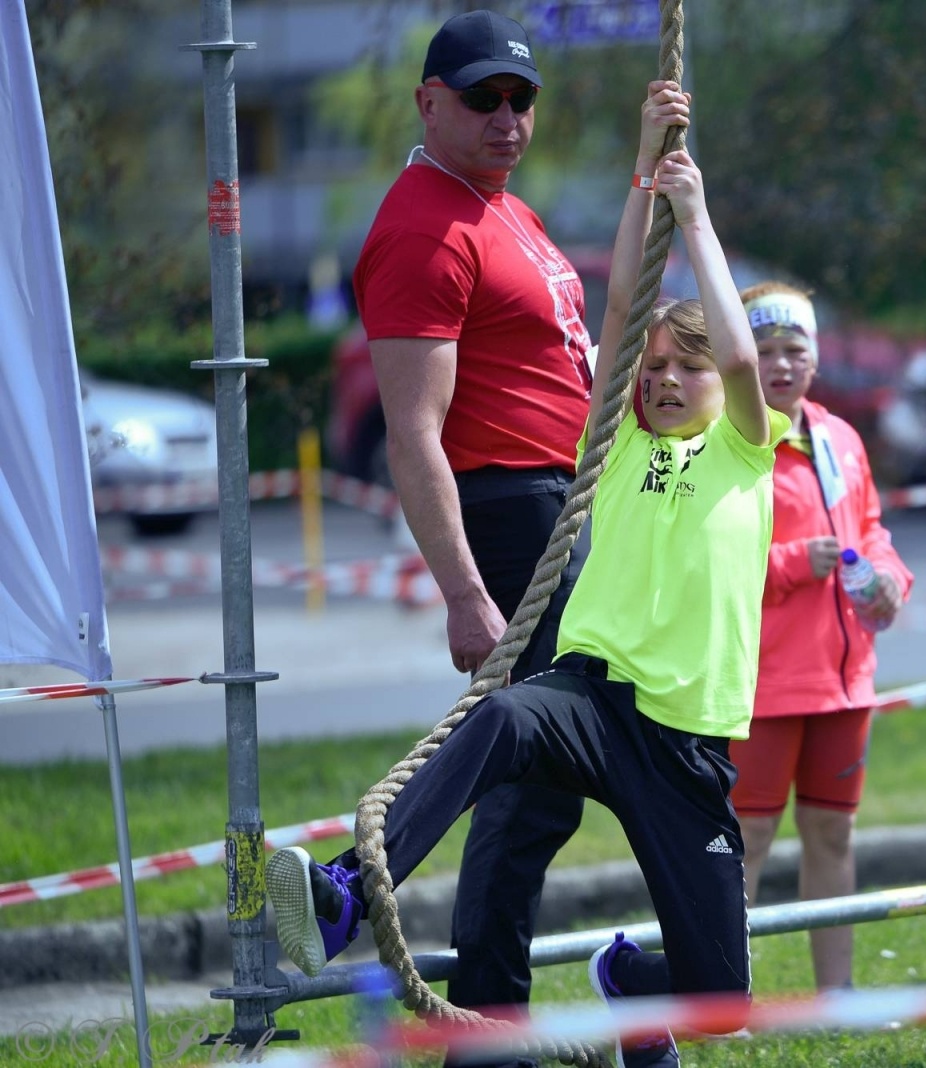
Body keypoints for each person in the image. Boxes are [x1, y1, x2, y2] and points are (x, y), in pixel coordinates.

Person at [267, 82, 776, 1068]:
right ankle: (347, 894)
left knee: (723, 1003)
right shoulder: (614, 447)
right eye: (654, 369)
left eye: (688, 368)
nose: (666, 380)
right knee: (502, 716)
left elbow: (746, 363)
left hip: (683, 742)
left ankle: (628, 988)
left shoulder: (744, 452)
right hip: (592, 702)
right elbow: (618, 304)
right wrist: (643, 168)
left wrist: (697, 217)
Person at [347, 12, 592, 1058]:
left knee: (548, 775)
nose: (507, 118)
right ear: (429, 102)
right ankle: (472, 1009)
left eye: (521, 99)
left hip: (562, 502)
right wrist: (462, 591)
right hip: (509, 511)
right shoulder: (423, 229)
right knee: (539, 773)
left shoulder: (501, 207)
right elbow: (412, 434)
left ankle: (489, 1017)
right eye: (483, 98)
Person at [728, 281, 913, 992]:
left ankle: (837, 996)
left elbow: (871, 531)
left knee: (833, 834)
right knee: (745, 841)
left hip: (846, 681)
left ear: (815, 355)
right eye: (764, 349)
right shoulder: (728, 441)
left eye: (794, 348)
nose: (781, 364)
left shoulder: (842, 437)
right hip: (764, 684)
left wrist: (890, 577)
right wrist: (789, 564)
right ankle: (721, 1002)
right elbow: (706, 561)